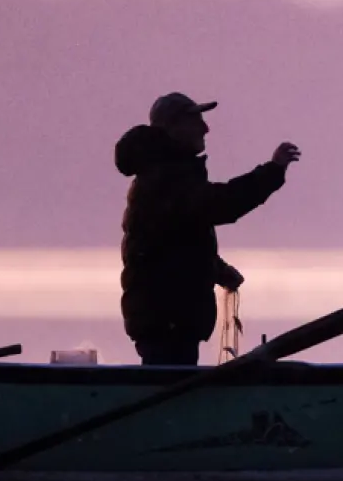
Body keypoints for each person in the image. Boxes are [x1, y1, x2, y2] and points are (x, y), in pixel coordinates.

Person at [114, 92, 300, 366]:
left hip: (167, 319)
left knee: (169, 380)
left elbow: (179, 244)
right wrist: (272, 172)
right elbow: (221, 204)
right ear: (172, 127)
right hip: (167, 319)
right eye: (195, 120)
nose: (205, 128)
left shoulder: (164, 174)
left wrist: (218, 271)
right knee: (170, 384)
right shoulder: (166, 177)